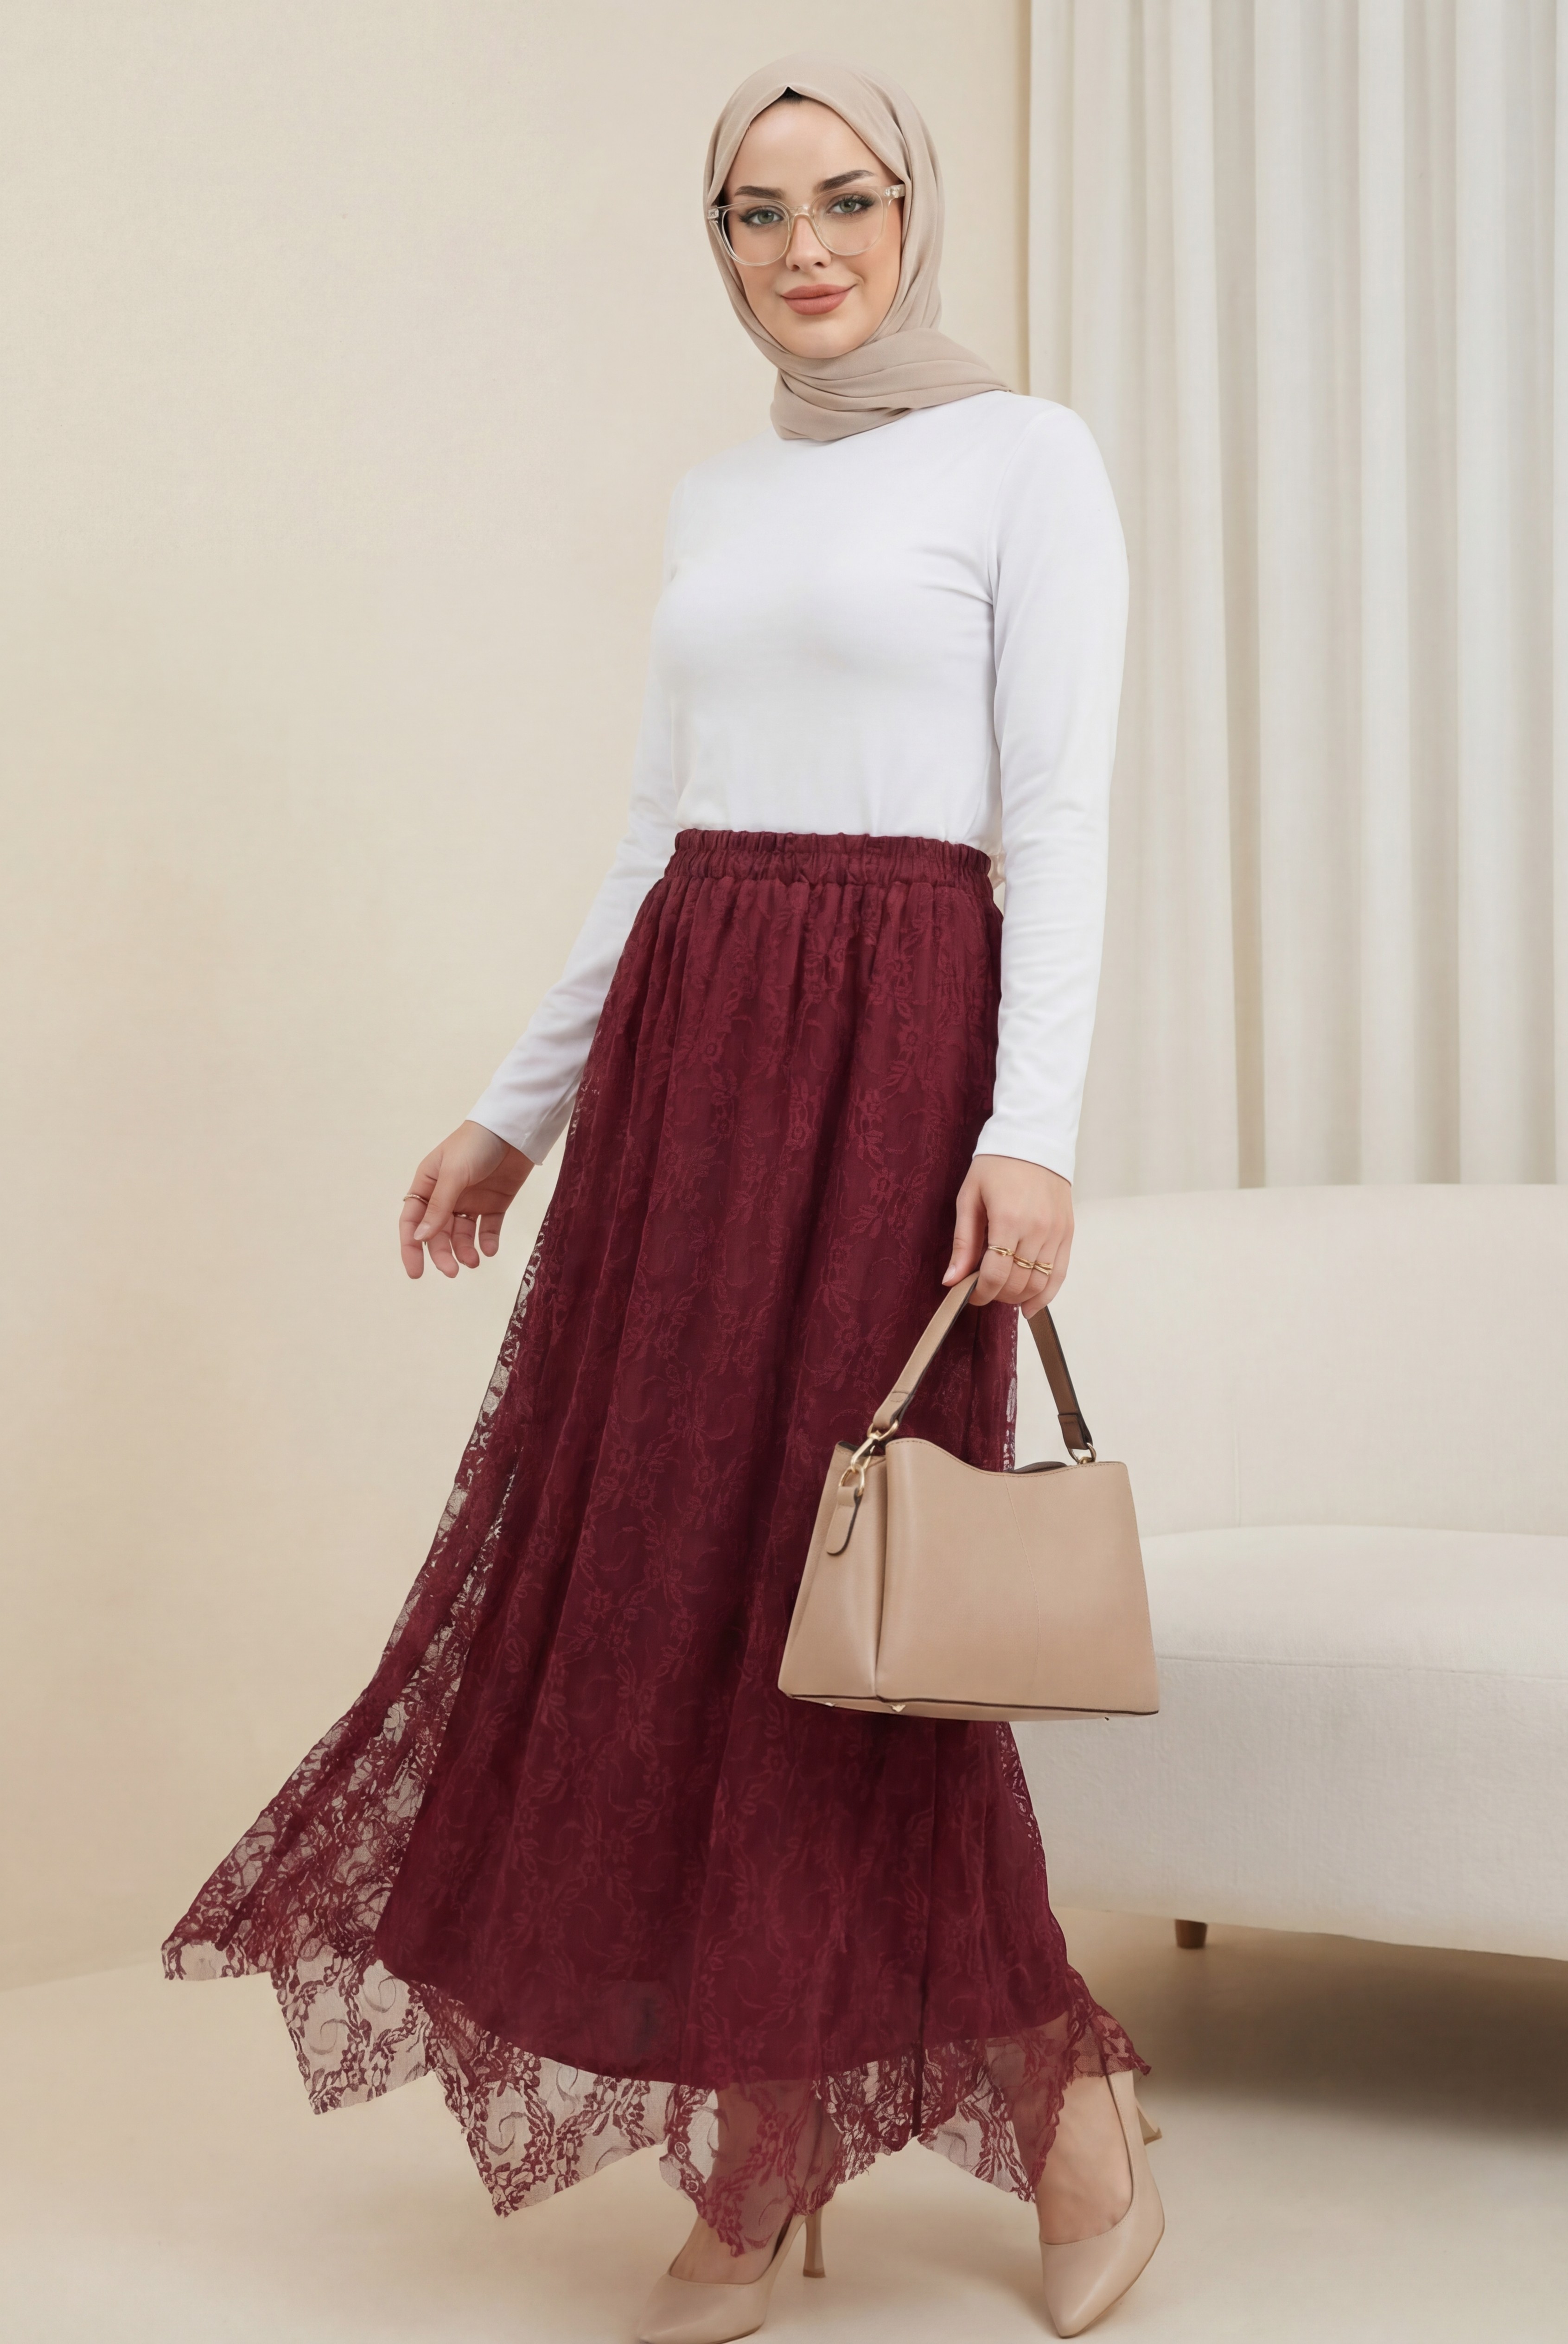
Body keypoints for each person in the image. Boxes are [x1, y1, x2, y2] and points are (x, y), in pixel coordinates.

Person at [164, 52, 1164, 2344]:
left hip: (900, 1053)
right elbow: (653, 837)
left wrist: (1028, 1128)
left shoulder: (1024, 456)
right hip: (692, 1058)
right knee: (678, 1583)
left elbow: (1053, 819)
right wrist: (514, 1112)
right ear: (714, 244)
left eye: (845, 199)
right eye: (753, 212)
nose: (804, 249)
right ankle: (766, 2125)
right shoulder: (721, 494)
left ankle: (1054, 2111)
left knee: (856, 1611)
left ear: (912, 211)